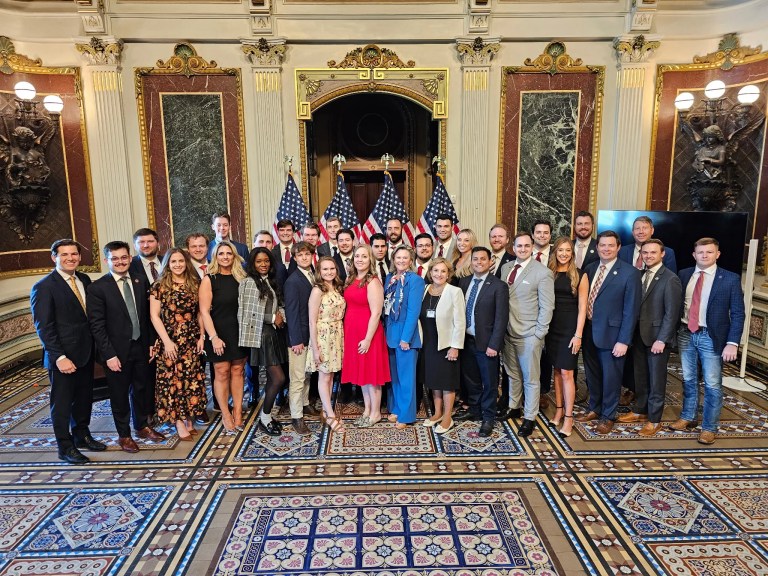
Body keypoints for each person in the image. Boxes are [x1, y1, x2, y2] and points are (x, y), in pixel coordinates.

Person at [31, 239, 105, 464]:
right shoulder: (44, 287)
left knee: (84, 399)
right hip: (62, 357)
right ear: (54, 257)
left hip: (85, 352)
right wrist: (59, 357)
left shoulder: (83, 279)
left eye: (74, 254)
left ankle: (82, 435)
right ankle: (65, 447)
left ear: (80, 257)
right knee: (62, 404)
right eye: (64, 255)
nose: (70, 258)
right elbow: (44, 327)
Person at [88, 241, 165, 454]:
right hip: (116, 352)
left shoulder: (140, 281)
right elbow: (97, 326)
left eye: (124, 257)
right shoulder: (97, 288)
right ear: (107, 261)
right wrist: (109, 354)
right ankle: (124, 435)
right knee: (120, 394)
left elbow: (147, 317)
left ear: (130, 258)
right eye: (115, 258)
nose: (120, 262)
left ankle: (141, 426)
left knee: (141, 389)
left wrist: (151, 343)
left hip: (141, 347)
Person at [669, 237, 745, 445]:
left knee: (712, 384)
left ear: (717, 254)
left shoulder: (729, 279)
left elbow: (738, 314)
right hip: (686, 333)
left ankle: (709, 427)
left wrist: (732, 342)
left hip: (711, 336)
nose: (704, 255)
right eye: (701, 252)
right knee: (688, 379)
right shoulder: (684, 275)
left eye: (709, 252)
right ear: (694, 255)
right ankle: (687, 416)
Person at [577, 231, 641, 435]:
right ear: (597, 247)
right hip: (589, 331)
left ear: (618, 247)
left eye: (610, 245)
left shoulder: (629, 273)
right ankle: (594, 408)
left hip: (613, 336)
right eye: (602, 245)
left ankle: (608, 415)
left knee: (611, 378)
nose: (605, 249)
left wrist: (624, 340)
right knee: (592, 374)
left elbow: (631, 311)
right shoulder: (590, 267)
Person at [618, 239, 682, 437]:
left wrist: (662, 339)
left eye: (653, 252)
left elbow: (672, 313)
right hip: (639, 336)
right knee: (641, 378)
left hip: (657, 339)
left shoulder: (670, 279)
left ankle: (654, 420)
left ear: (662, 254)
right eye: (645, 253)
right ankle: (640, 411)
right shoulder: (638, 275)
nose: (648, 256)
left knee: (656, 381)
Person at [499, 232, 555, 438]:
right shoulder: (506, 268)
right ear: (512, 248)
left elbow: (547, 307)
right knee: (513, 374)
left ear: (532, 247)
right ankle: (514, 406)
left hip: (530, 334)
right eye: (518, 246)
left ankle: (530, 416)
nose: (522, 249)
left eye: (526, 246)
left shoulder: (542, 272)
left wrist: (539, 333)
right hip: (508, 332)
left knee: (531, 378)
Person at [149, 248, 207, 441]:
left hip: (191, 339)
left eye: (181, 261)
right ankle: (178, 421)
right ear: (167, 264)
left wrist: (201, 336)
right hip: (170, 340)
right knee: (173, 382)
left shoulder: (194, 283)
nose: (178, 264)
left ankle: (189, 417)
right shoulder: (159, 286)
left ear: (186, 262)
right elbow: (154, 316)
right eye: (173, 261)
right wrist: (167, 342)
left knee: (190, 379)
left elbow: (200, 312)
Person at [456, 247, 509, 437]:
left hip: (487, 344)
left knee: (489, 382)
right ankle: (475, 409)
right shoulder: (463, 282)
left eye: (482, 259)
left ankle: (488, 417)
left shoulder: (498, 286)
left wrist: (494, 345)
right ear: (471, 262)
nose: (479, 262)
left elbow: (501, 318)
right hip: (467, 340)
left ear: (489, 262)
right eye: (475, 259)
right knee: (471, 379)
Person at [200, 241, 248, 435]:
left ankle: (237, 411)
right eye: (221, 253)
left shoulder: (242, 278)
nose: (225, 257)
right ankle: (226, 414)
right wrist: (213, 337)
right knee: (221, 372)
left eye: (229, 253)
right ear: (215, 256)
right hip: (218, 332)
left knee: (238, 370)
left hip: (239, 332)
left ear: (234, 256)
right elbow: (204, 311)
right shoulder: (209, 279)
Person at [238, 247, 287, 436]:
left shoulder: (269, 281)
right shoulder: (249, 283)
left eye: (266, 261)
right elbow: (247, 314)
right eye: (259, 261)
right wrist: (272, 317)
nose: (263, 264)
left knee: (275, 378)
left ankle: (266, 416)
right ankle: (264, 418)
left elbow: (278, 305)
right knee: (279, 378)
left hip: (272, 334)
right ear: (252, 264)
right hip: (261, 334)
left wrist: (279, 316)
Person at [342, 244, 390, 427]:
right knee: (362, 374)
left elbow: (377, 312)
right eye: (357, 256)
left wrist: (368, 339)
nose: (360, 259)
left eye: (364, 256)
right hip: (353, 331)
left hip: (368, 333)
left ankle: (376, 413)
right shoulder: (352, 278)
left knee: (371, 375)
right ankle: (367, 410)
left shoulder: (373, 281)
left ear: (370, 259)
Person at [545, 237, 588, 438]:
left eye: (567, 250)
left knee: (567, 373)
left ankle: (569, 417)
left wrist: (578, 335)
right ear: (555, 252)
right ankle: (559, 409)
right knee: (556, 370)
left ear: (572, 253)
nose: (563, 254)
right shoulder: (549, 273)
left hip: (569, 329)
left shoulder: (580, 275)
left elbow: (582, 309)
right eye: (560, 250)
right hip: (551, 328)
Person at [420, 258, 465, 433]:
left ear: (448, 274)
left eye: (443, 271)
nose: (439, 274)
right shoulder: (425, 289)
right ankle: (437, 412)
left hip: (446, 344)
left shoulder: (455, 292)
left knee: (447, 382)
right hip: (429, 343)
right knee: (433, 380)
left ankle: (447, 417)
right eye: (435, 271)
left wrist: (455, 346)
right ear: (430, 273)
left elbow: (460, 322)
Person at [384, 246, 425, 429]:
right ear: (394, 259)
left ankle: (407, 415)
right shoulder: (389, 279)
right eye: (398, 257)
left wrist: (405, 338)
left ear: (411, 260)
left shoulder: (415, 281)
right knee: (395, 376)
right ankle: (396, 409)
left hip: (406, 336)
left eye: (405, 258)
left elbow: (413, 312)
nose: (401, 261)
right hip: (390, 333)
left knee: (406, 377)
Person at [308, 256, 347, 432]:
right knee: (324, 376)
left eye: (332, 269)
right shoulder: (317, 290)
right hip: (323, 337)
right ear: (319, 271)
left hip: (336, 334)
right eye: (325, 269)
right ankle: (330, 415)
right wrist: (316, 349)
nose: (329, 272)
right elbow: (311, 321)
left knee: (330, 376)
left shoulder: (337, 287)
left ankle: (325, 409)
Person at [283, 242, 317, 435]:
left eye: (307, 254)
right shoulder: (293, 281)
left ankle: (304, 404)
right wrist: (296, 339)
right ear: (294, 258)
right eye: (300, 255)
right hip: (298, 338)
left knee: (307, 373)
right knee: (297, 377)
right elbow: (292, 312)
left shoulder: (311, 275)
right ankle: (297, 416)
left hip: (310, 335)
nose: (304, 258)